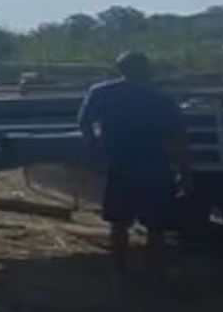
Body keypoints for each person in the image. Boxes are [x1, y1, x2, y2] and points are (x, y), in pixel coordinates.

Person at [78, 50, 191, 272]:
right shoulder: (161, 98)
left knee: (118, 223)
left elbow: (84, 121)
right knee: (156, 226)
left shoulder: (102, 92)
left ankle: (121, 271)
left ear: (120, 69)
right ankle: (155, 272)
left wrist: (94, 146)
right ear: (146, 69)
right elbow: (179, 139)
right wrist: (184, 173)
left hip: (119, 165)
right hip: (155, 166)